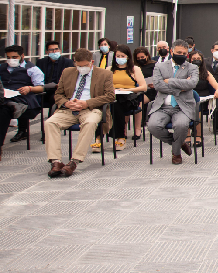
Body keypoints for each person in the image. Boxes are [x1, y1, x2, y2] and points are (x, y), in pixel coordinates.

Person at [44, 48, 115, 177]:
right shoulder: (67, 72)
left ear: (91, 62)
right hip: (69, 109)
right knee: (50, 122)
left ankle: (74, 161)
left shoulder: (104, 74)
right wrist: (66, 103)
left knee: (90, 123)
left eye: (85, 66)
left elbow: (110, 96)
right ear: (74, 63)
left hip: (91, 109)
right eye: (79, 65)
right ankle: (56, 161)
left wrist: (87, 103)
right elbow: (58, 94)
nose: (82, 68)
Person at [147, 39, 198, 165]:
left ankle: (176, 153)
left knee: (181, 125)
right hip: (162, 107)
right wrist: (181, 87)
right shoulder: (159, 66)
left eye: (184, 53)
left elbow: (192, 83)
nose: (181, 55)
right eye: (178, 52)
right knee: (153, 126)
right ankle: (180, 143)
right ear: (171, 51)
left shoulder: (192, 67)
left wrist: (169, 81)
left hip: (182, 107)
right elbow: (158, 85)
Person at [97, 45, 147, 151]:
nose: (120, 58)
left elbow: (143, 87)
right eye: (117, 56)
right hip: (113, 95)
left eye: (122, 56)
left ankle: (120, 137)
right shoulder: (109, 69)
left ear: (128, 57)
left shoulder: (134, 69)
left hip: (129, 97)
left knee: (117, 104)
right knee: (100, 106)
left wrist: (127, 90)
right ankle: (98, 138)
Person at [0, 45, 44, 145]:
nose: (11, 60)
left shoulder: (32, 69)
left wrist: (30, 88)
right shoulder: (2, 68)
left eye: (14, 57)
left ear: (22, 56)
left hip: (23, 99)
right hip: (4, 97)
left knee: (4, 110)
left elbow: (41, 87)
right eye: (8, 57)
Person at [188, 51, 218, 146]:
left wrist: (217, 91)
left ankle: (198, 135)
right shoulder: (186, 73)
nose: (196, 61)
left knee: (196, 108)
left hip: (203, 99)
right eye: (194, 59)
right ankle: (187, 136)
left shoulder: (205, 73)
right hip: (189, 98)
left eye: (198, 59)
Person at [36, 40, 75, 108]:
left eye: (56, 49)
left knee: (54, 99)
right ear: (47, 52)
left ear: (60, 50)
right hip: (43, 89)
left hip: (58, 90)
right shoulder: (41, 62)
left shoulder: (68, 62)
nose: (54, 52)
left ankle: (51, 117)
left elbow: (71, 79)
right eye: (51, 50)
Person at [134, 47, 157, 140]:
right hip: (138, 89)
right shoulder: (135, 67)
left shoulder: (154, 65)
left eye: (142, 57)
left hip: (151, 90)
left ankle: (138, 127)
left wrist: (155, 84)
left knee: (139, 101)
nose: (141, 60)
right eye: (138, 58)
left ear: (147, 56)